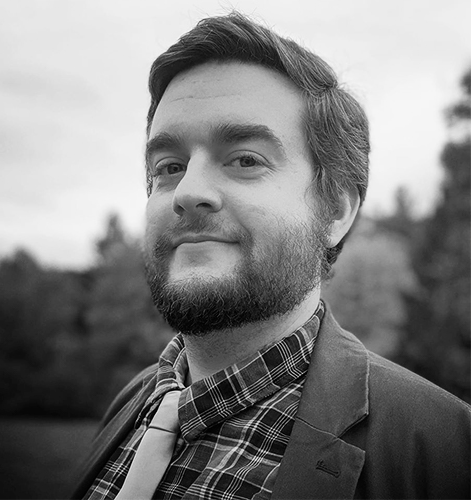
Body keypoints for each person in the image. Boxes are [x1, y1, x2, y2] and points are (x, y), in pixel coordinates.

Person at [73, 12, 470, 500]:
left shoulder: (443, 450)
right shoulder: (132, 403)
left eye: (245, 160)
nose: (188, 191)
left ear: (335, 211)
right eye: (169, 167)